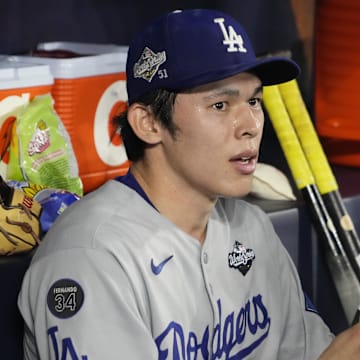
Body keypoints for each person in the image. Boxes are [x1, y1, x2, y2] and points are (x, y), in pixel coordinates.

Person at [18, 8, 360, 360]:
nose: (250, 125)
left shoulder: (250, 227)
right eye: (220, 104)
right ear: (148, 123)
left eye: (254, 101)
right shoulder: (90, 257)